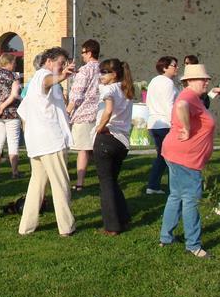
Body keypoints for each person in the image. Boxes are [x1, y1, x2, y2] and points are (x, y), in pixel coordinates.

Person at [17, 47, 76, 237]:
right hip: (51, 141)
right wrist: (62, 76)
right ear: (48, 61)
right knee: (60, 185)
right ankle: (66, 227)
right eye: (60, 63)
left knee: (36, 185)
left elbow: (23, 110)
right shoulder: (43, 76)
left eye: (64, 64)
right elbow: (47, 82)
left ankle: (26, 226)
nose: (62, 66)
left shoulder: (35, 80)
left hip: (38, 141)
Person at [159, 64, 216, 258]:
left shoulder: (194, 97)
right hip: (186, 157)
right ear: (189, 81)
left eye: (206, 79)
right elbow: (181, 106)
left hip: (176, 153)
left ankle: (166, 237)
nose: (206, 82)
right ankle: (193, 245)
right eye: (202, 79)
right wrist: (186, 127)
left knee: (176, 195)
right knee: (191, 199)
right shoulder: (189, 96)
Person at [93, 58, 135, 236]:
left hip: (107, 138)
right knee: (112, 180)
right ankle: (123, 216)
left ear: (114, 74)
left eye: (105, 72)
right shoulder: (126, 89)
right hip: (122, 141)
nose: (101, 75)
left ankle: (112, 225)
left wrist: (100, 127)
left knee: (106, 183)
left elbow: (108, 109)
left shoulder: (109, 90)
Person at [66, 39, 102, 192]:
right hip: (98, 113)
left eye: (83, 52)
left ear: (90, 53)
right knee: (94, 149)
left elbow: (76, 94)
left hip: (83, 113)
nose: (82, 55)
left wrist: (67, 111)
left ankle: (80, 183)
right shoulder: (103, 69)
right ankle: (105, 177)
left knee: (83, 150)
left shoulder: (85, 70)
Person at [144, 56, 179, 195]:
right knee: (172, 157)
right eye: (174, 65)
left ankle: (153, 185)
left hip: (154, 123)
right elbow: (169, 105)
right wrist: (176, 123)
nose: (177, 68)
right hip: (166, 123)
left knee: (162, 156)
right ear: (165, 68)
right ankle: (173, 187)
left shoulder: (154, 81)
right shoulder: (168, 83)